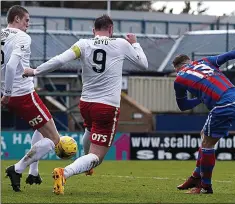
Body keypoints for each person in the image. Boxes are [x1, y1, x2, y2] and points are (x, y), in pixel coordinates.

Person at [23, 14, 148, 194]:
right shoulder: (121, 44)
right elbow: (143, 64)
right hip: (107, 107)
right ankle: (65, 172)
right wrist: (135, 42)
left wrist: (36, 71)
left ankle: (86, 163)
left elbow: (59, 60)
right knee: (98, 156)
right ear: (111, 30)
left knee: (89, 131)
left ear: (93, 30)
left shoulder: (83, 44)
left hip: (86, 104)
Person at [1, 5, 61, 192]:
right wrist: (8, 94)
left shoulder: (2, 35)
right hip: (22, 95)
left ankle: (33, 171)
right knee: (54, 139)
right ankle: (17, 169)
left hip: (14, 92)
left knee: (42, 126)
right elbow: (11, 67)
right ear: (17, 19)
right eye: (26, 20)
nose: (28, 24)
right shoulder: (22, 37)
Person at [172, 50, 235, 194]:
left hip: (222, 105)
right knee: (204, 134)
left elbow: (183, 106)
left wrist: (200, 98)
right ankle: (196, 176)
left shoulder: (179, 78)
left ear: (178, 67)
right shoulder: (205, 61)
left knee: (207, 144)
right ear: (189, 61)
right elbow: (229, 55)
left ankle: (205, 186)